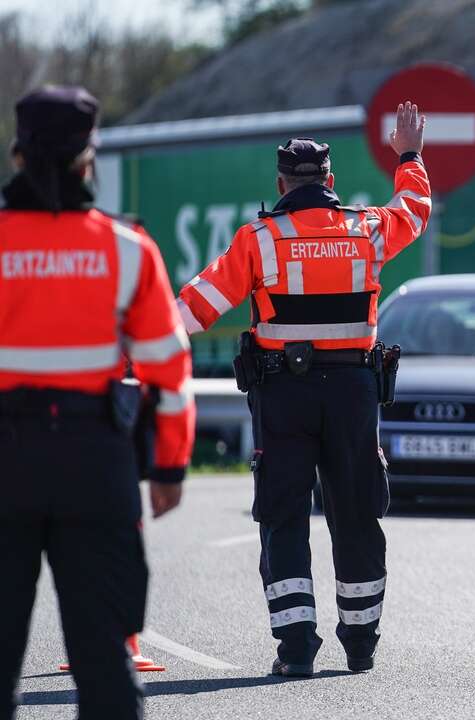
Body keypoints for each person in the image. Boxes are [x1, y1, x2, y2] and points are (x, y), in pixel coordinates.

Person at [175, 102, 431, 677]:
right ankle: (361, 643)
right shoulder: (366, 231)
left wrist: (131, 341)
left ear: (281, 184)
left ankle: (295, 649)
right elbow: (414, 212)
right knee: (357, 510)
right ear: (331, 182)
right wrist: (409, 156)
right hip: (353, 395)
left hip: (283, 397)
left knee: (285, 514)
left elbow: (195, 309)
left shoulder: (258, 241)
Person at [0, 86, 194, 720]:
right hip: (96, 467)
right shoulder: (128, 250)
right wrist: (167, 468)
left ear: (19, 158)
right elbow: (169, 367)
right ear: (90, 162)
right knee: (106, 665)